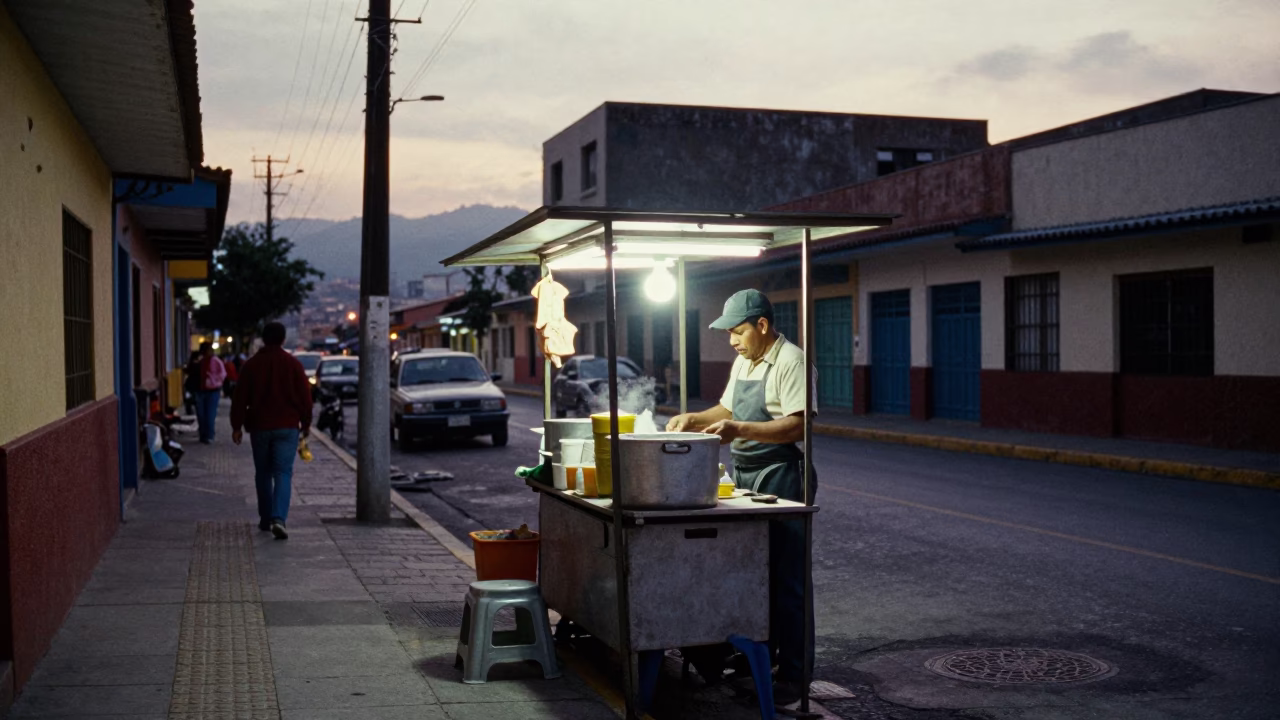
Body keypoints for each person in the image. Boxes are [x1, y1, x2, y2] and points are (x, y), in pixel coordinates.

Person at [666, 288, 815, 706]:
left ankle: (795, 676)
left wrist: (739, 431)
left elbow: (797, 426)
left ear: (762, 326)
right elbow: (727, 410)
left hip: (783, 476)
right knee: (756, 576)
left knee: (789, 581)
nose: (731, 340)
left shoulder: (792, 361)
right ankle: (762, 665)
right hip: (748, 475)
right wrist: (696, 418)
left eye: (737, 332)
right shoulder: (744, 360)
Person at [230, 321, 313, 540]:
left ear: (263, 339)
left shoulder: (251, 365)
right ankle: (279, 518)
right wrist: (306, 425)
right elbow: (306, 399)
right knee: (283, 472)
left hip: (260, 427)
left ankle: (266, 519)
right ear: (284, 339)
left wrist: (236, 426)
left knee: (263, 473)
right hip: (287, 427)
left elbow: (239, 398)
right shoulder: (293, 364)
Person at [194, 342, 226, 443]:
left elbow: (223, 374)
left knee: (210, 414)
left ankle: (209, 435)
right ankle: (203, 434)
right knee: (201, 414)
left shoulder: (215, 361)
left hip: (212, 390)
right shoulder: (198, 360)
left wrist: (214, 380)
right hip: (200, 389)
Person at [183, 350, 202, 415]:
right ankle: (197, 410)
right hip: (197, 383)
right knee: (196, 399)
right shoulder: (199, 364)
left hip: (190, 383)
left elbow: (187, 371)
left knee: (189, 398)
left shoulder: (190, 364)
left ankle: (189, 411)